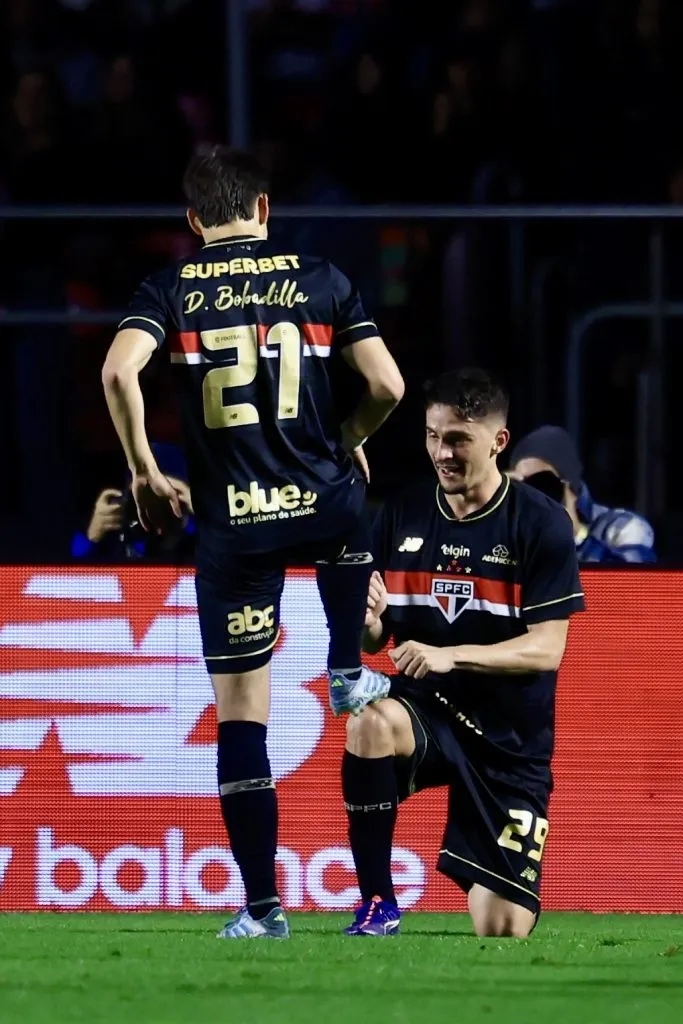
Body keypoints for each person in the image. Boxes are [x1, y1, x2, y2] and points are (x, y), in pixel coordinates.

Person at [101, 146, 404, 940]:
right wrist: (346, 437)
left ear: (193, 219)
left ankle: (263, 909)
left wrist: (143, 471)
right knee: (346, 513)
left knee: (241, 719)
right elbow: (388, 386)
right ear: (263, 209)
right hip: (320, 503)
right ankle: (345, 670)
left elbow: (118, 374)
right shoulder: (321, 278)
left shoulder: (168, 289)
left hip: (233, 526)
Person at [340, 369, 584, 938]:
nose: (441, 453)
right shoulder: (401, 513)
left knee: (503, 929)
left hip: (508, 742)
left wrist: (453, 655)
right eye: (433, 436)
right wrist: (369, 625)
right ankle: (377, 903)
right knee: (369, 723)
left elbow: (547, 649)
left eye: (457, 440)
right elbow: (374, 638)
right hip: (428, 710)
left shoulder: (539, 522)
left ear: (498, 441)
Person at [508, 425, 656, 563]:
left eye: (542, 483)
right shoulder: (514, 532)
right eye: (523, 485)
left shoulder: (621, 527)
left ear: (569, 487)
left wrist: (576, 534)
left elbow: (635, 577)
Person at [71, 442, 195, 562]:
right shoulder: (118, 522)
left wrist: (200, 512)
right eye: (146, 493)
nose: (155, 506)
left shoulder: (198, 531)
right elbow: (72, 566)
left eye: (166, 496)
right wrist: (91, 537)